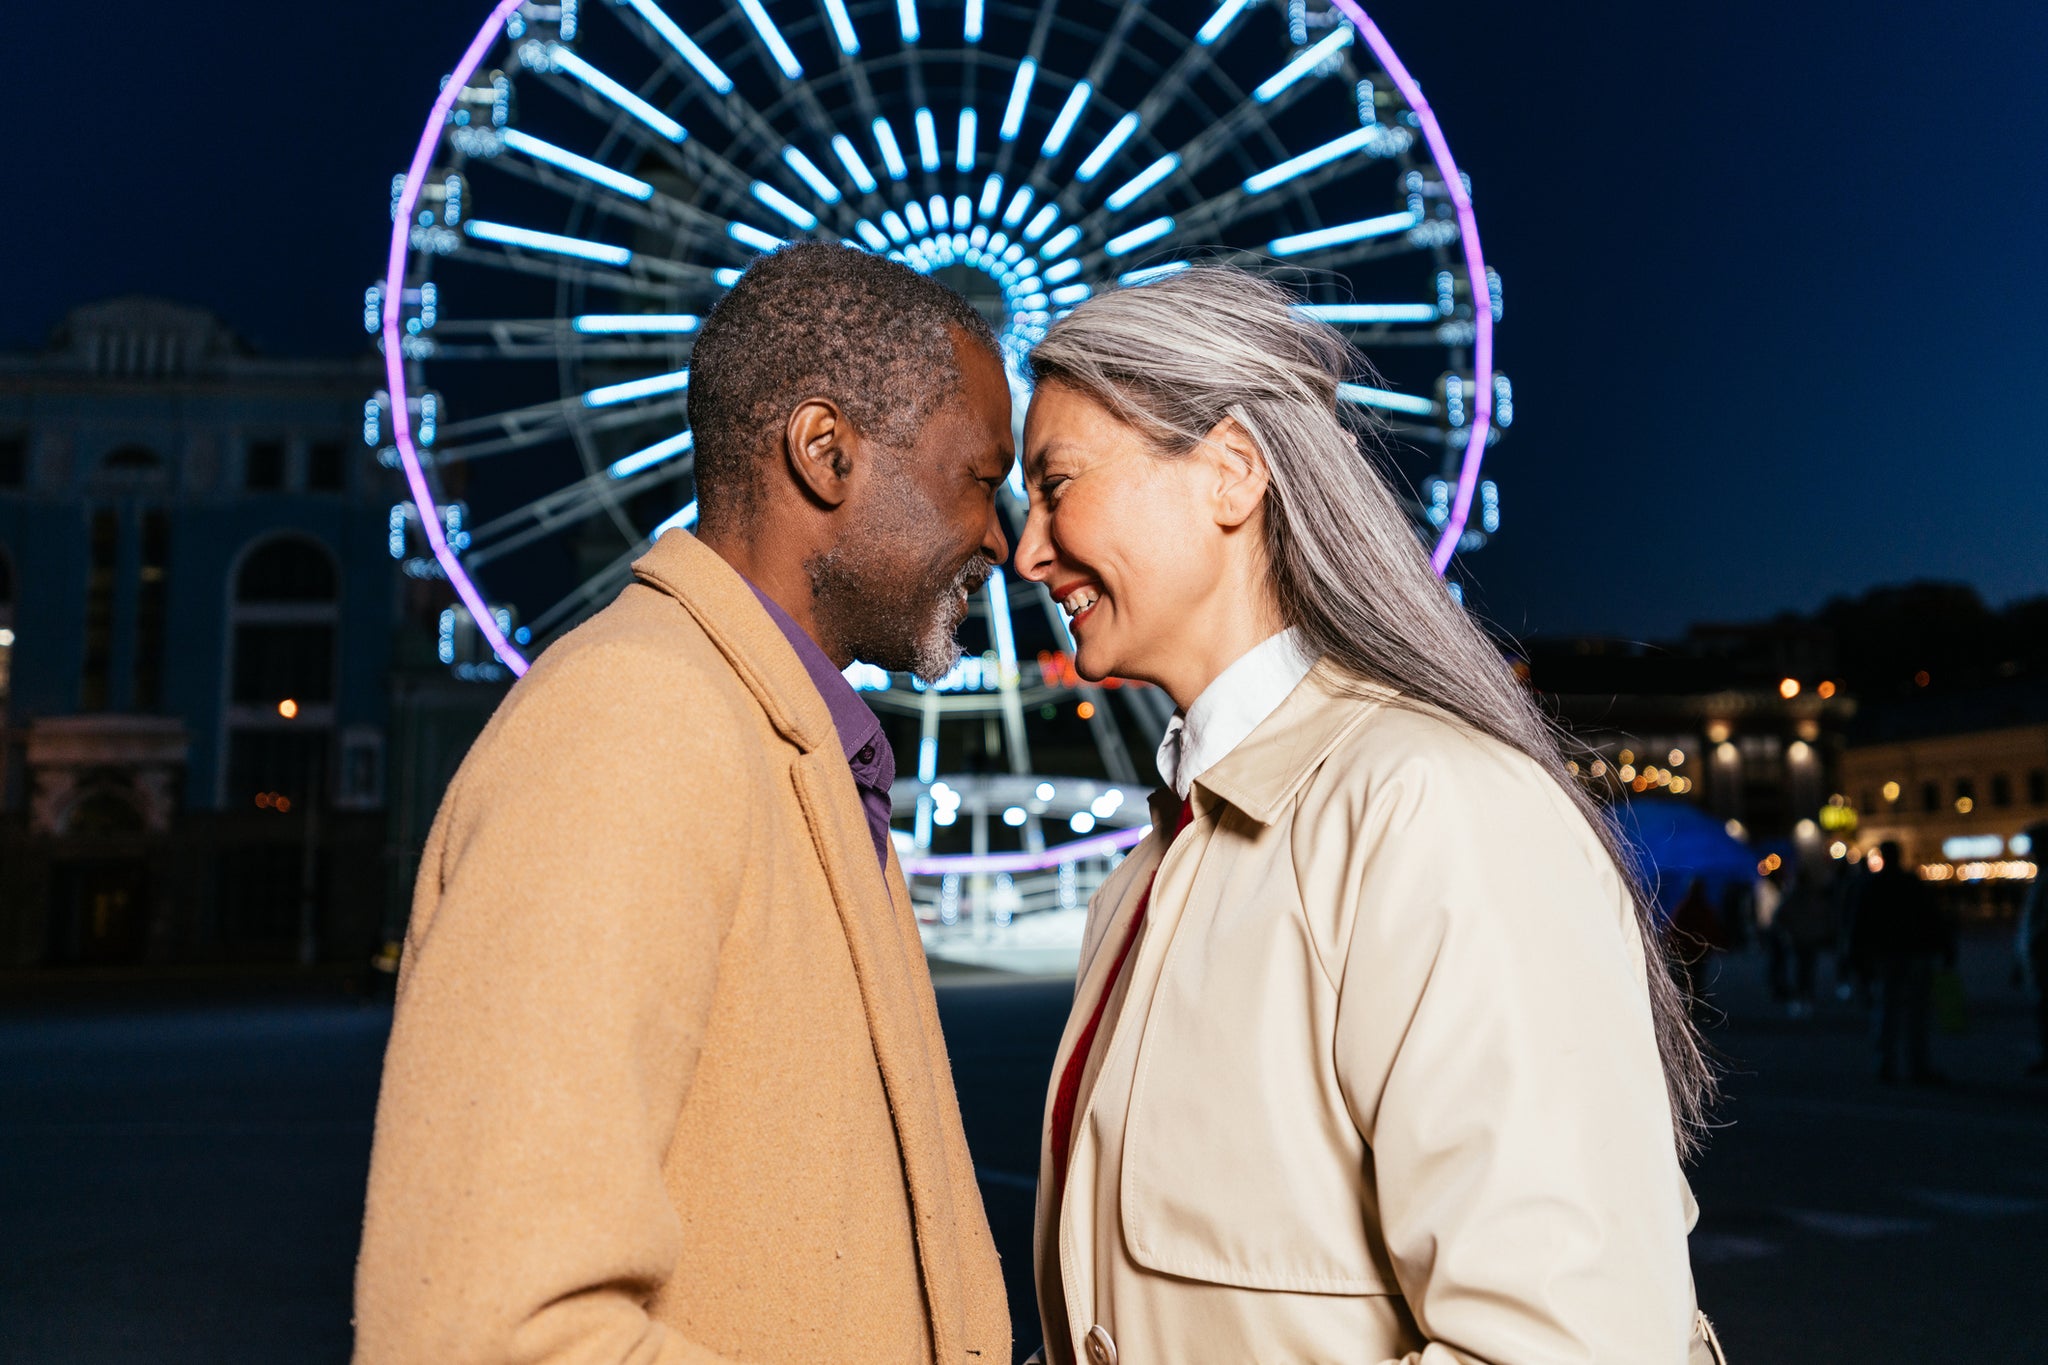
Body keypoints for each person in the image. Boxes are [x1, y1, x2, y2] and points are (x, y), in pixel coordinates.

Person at [1012, 266, 1723, 1365]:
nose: (1027, 550)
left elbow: (1564, 1345)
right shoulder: (1139, 886)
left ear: (1230, 473)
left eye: (1055, 484)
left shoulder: (1432, 814)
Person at [352, 243, 1013, 1363]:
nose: (1005, 541)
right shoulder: (630, 728)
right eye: (979, 481)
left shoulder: (776, 742)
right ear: (824, 453)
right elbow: (483, 1331)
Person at [1847, 839, 1951, 1084]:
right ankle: (1918, 1066)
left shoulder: (1872, 885)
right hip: (1914, 953)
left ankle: (1885, 1065)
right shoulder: (1911, 882)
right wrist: (1944, 947)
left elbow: (1859, 924)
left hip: (1886, 955)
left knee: (1886, 1011)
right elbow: (1932, 917)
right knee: (1916, 1013)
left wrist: (1856, 957)